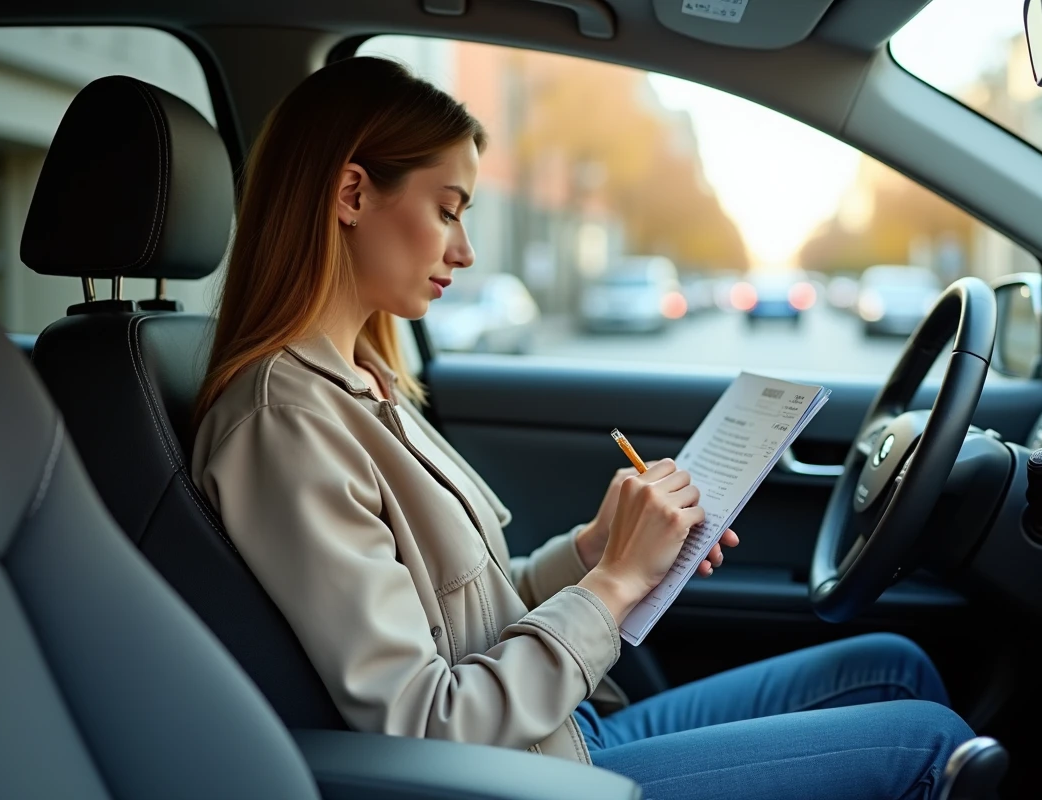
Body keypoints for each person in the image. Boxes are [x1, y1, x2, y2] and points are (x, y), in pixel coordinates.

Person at [191, 56, 974, 800]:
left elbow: (474, 619)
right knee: (932, 745)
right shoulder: (283, 424)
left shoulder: (369, 383)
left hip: (559, 727)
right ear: (352, 194)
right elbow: (425, 722)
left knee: (894, 665)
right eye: (448, 210)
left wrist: (596, 547)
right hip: (527, 775)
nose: (464, 251)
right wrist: (617, 583)